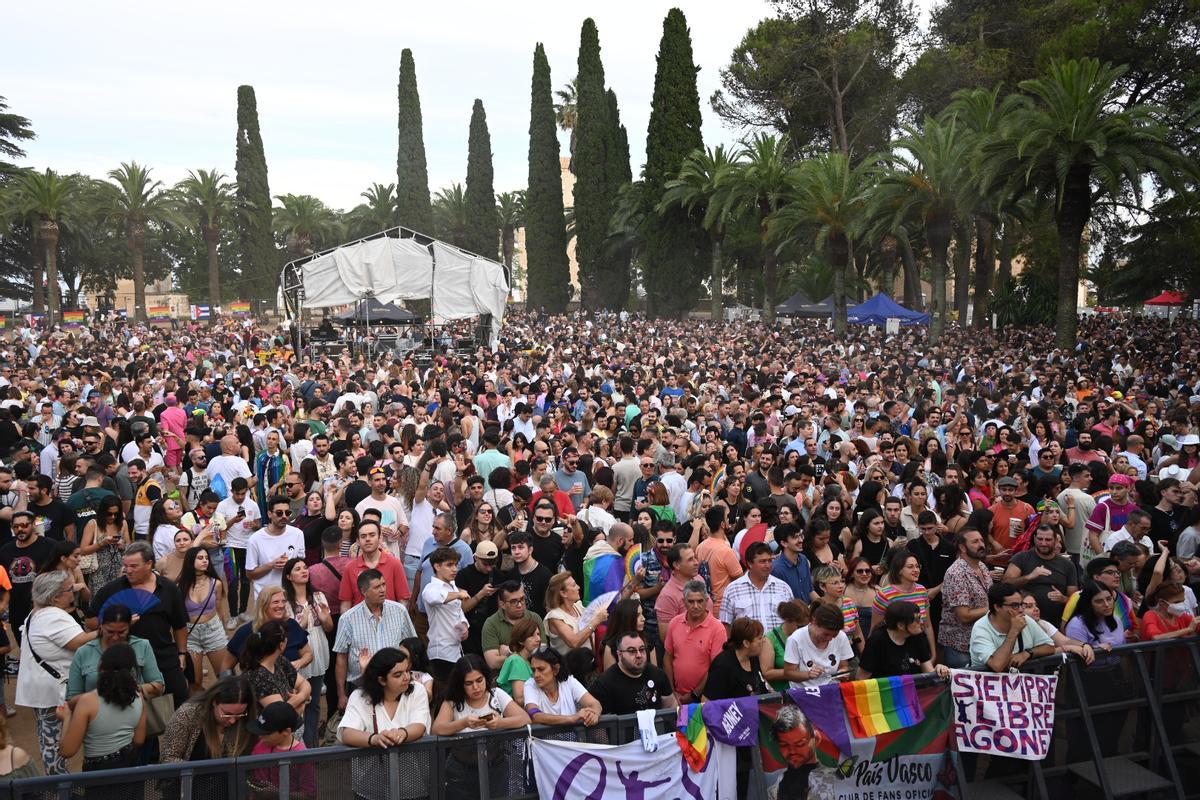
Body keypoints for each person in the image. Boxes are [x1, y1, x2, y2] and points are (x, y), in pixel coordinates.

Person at [87, 540, 190, 705]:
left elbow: (179, 625)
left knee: (181, 703)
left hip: (163, 657)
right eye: (125, 565)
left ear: (149, 564)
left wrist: (182, 653)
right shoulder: (112, 589)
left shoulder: (169, 589)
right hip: (125, 661)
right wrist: (116, 624)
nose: (128, 570)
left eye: (134, 566)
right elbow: (90, 621)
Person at [16, 570, 97, 774]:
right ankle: (59, 788)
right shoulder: (52, 616)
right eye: (70, 589)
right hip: (52, 692)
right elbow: (77, 643)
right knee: (53, 741)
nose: (74, 592)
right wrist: (110, 629)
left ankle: (59, 786)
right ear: (54, 597)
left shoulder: (38, 612)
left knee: (48, 738)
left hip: (44, 688)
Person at [431, 654, 530, 800]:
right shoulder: (453, 701)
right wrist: (463, 723)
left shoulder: (496, 695)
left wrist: (500, 723)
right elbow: (436, 729)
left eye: (479, 680)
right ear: (460, 683)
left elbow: (524, 718)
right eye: (469, 683)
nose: (476, 687)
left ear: (486, 678)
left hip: (495, 768)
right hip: (460, 772)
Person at [337, 648, 431, 800]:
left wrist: (401, 734)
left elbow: (419, 725)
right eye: (398, 674)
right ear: (381, 680)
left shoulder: (418, 691)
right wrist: (374, 739)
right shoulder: (359, 697)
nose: (406, 677)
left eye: (408, 671)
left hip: (413, 784)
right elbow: (347, 733)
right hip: (370, 787)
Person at [57, 642, 146, 777]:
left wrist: (67, 717)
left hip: (99, 774)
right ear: (132, 670)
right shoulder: (139, 697)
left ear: (101, 667)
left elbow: (67, 751)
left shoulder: (87, 702)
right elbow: (139, 740)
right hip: (131, 768)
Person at [334, 569, 417, 711]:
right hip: (361, 687)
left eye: (384, 585)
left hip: (395, 684)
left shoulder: (399, 611)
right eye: (377, 587)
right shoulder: (348, 619)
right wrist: (341, 694)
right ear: (364, 591)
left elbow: (412, 647)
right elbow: (341, 658)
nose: (383, 590)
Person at [67, 602, 164, 703]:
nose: (115, 637)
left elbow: (158, 686)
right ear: (101, 626)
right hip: (95, 714)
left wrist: (129, 689)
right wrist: (100, 695)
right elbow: (72, 698)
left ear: (129, 627)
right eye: (110, 632)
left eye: (121, 632)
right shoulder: (84, 652)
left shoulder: (142, 646)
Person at [281, 556, 332, 746]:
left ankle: (312, 746)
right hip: (296, 654)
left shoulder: (318, 596)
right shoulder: (284, 601)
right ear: (289, 576)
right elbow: (285, 632)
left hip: (318, 649)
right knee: (296, 701)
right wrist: (300, 625)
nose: (304, 571)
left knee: (315, 702)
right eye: (298, 569)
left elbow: (328, 627)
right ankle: (294, 745)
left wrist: (325, 618)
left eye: (305, 567)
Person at [159, 675, 258, 766]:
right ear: (214, 702)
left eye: (239, 715)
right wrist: (201, 770)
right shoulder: (188, 714)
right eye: (227, 714)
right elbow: (168, 758)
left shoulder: (248, 718)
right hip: (188, 781)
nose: (232, 721)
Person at [664, 579, 727, 703]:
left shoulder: (717, 629)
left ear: (707, 601)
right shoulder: (674, 623)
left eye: (700, 601)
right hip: (677, 697)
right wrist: (672, 692)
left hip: (705, 698)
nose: (696, 606)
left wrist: (694, 694)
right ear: (684, 602)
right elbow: (667, 657)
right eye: (691, 601)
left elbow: (716, 669)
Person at [969, 582, 1056, 671]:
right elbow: (997, 665)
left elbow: (1050, 647)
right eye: (1015, 606)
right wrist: (1014, 631)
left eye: (1022, 604)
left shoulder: (1025, 619)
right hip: (986, 682)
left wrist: (1027, 653)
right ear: (997, 607)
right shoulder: (981, 628)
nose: (1021, 610)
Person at [1004, 524, 1078, 627]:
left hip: (1055, 623)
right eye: (1040, 539)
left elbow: (1074, 598)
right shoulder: (1021, 558)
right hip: (1025, 622)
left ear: (1056, 540)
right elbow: (1005, 584)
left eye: (1048, 540)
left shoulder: (1067, 565)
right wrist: (1029, 577)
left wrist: (1063, 598)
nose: (1043, 543)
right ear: (1034, 538)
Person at [939, 529, 994, 668]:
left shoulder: (981, 566)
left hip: (982, 640)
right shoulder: (956, 573)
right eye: (975, 541)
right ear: (962, 547)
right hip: (960, 644)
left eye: (981, 540)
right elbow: (964, 615)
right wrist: (994, 609)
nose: (981, 544)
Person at [0, 510, 56, 644]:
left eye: (24, 525)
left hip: (44, 605)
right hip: (17, 607)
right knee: (23, 644)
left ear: (33, 525)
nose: (20, 529)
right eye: (16, 526)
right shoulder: (5, 550)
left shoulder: (50, 546)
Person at [858, 600, 951, 679]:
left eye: (920, 618)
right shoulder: (876, 641)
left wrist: (938, 669)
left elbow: (928, 671)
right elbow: (861, 679)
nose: (922, 622)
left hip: (913, 692)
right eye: (917, 619)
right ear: (901, 625)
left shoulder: (918, 636)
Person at [590, 631, 678, 714]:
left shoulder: (658, 674)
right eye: (632, 651)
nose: (639, 655)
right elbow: (600, 724)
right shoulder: (604, 683)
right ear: (619, 655)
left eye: (642, 649)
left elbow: (672, 706)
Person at [239, 619, 311, 715]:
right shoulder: (258, 676)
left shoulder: (279, 660)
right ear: (281, 645)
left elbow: (304, 684)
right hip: (271, 728)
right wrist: (302, 700)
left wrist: (300, 696)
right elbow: (279, 714)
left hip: (289, 726)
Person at [421, 545, 470, 680]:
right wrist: (459, 594)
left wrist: (465, 625)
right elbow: (435, 598)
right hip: (440, 654)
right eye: (449, 565)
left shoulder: (452, 586)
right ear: (437, 566)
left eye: (455, 565)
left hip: (456, 651)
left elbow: (458, 611)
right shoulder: (430, 588)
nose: (455, 569)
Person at [246, 495, 306, 603]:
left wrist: (290, 565)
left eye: (287, 513)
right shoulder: (255, 540)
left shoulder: (297, 534)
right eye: (279, 513)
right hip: (265, 599)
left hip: (291, 597)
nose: (284, 516)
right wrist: (271, 565)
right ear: (269, 514)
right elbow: (250, 574)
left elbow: (302, 563)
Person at [721, 541, 793, 631]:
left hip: (779, 644)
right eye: (762, 561)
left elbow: (792, 621)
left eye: (770, 561)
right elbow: (726, 624)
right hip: (747, 644)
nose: (768, 565)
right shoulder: (733, 589)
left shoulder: (783, 588)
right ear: (750, 564)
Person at [522, 647, 602, 726]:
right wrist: (572, 718)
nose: (536, 675)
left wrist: (594, 714)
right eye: (533, 670)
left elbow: (594, 703)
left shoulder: (569, 681)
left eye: (541, 669)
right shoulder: (530, 684)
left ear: (556, 669)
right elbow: (535, 716)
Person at [784, 602, 853, 688]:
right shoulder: (795, 639)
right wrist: (808, 674)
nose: (830, 638)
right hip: (804, 692)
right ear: (814, 621)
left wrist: (843, 672)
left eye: (834, 635)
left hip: (832, 689)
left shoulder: (841, 637)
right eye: (826, 634)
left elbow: (844, 666)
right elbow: (788, 673)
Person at [480, 581, 546, 671]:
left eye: (522, 599)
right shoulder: (491, 624)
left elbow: (543, 653)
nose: (520, 605)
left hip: (533, 672)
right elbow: (493, 663)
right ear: (502, 604)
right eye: (513, 601)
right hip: (506, 676)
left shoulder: (534, 617)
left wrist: (509, 652)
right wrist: (528, 650)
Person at [703, 616, 768, 700]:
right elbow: (707, 701)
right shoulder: (722, 666)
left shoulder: (753, 658)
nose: (763, 641)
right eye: (759, 638)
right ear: (746, 643)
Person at [78, 494, 129, 594]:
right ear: (103, 512)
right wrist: (102, 543)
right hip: (98, 572)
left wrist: (123, 546)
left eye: (116, 514)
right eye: (109, 514)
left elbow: (130, 549)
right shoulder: (93, 524)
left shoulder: (123, 524)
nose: (113, 517)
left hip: (119, 570)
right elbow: (82, 550)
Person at [543, 570, 602, 655]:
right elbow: (574, 642)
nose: (578, 587)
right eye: (574, 585)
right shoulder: (555, 617)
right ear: (563, 593)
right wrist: (595, 622)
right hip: (569, 667)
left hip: (589, 664)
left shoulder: (578, 607)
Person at [760, 600, 810, 692]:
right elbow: (767, 673)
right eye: (799, 627)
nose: (804, 630)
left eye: (806, 626)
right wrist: (796, 673)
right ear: (787, 620)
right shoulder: (770, 639)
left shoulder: (808, 635)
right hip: (784, 692)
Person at [496, 617, 541, 704]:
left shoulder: (530, 661)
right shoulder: (516, 660)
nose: (538, 639)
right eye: (532, 635)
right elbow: (520, 699)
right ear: (521, 640)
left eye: (538, 634)